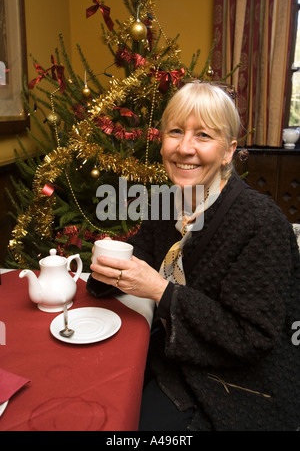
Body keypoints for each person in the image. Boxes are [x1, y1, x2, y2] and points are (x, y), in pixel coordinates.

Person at [86, 81, 300, 431]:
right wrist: (111, 266)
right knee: (92, 396)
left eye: (203, 135)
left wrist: (159, 290)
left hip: (237, 385)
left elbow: (251, 338)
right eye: (175, 131)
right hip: (169, 355)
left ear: (229, 151)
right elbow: (141, 255)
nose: (185, 148)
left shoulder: (261, 224)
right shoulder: (166, 203)